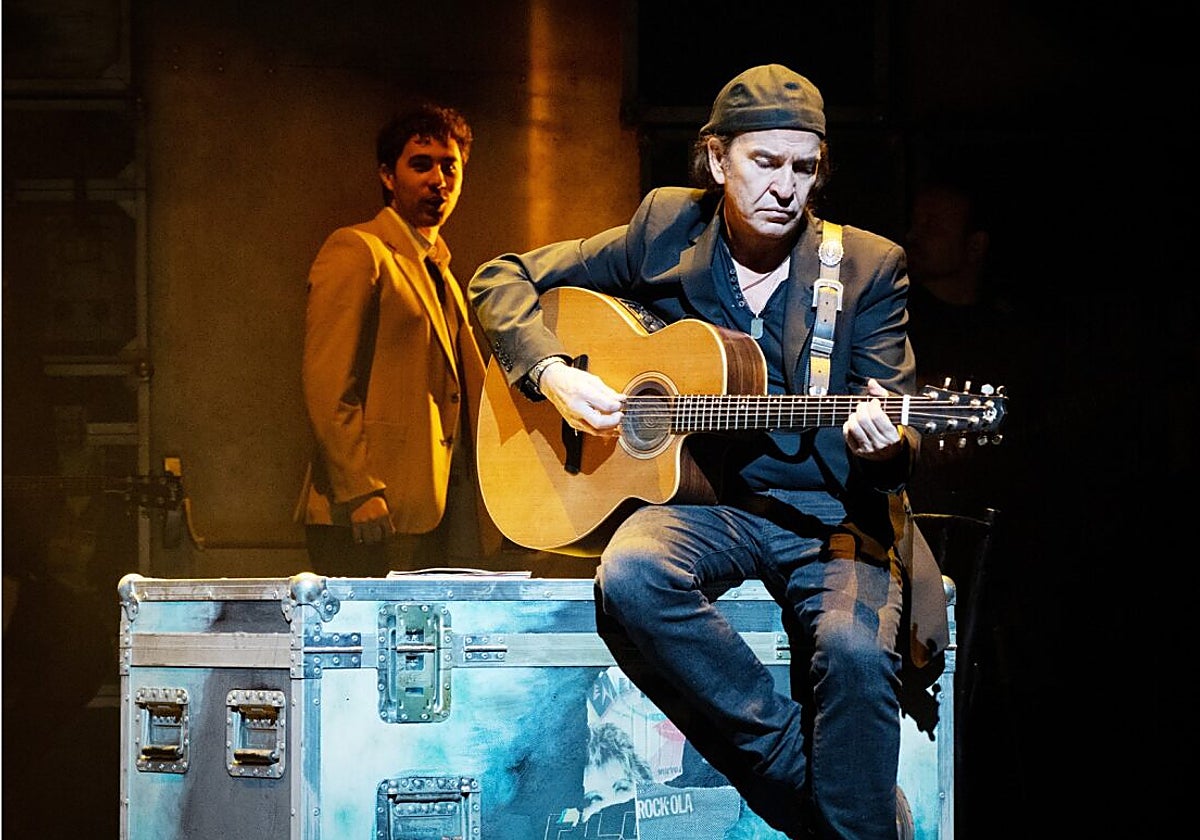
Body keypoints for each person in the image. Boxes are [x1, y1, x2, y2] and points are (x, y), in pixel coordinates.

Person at [469, 64, 948, 839]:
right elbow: (502, 277)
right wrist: (554, 374)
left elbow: (900, 436)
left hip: (831, 516)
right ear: (718, 159)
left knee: (857, 661)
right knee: (630, 574)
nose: (786, 188)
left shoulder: (864, 266)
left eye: (804, 168)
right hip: (706, 505)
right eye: (765, 163)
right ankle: (811, 786)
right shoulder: (665, 228)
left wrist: (885, 447)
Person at [296, 102, 500, 577]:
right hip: (367, 510)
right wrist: (359, 489)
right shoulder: (358, 249)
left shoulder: (438, 267)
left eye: (450, 166)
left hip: (427, 509)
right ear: (388, 176)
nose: (438, 180)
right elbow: (327, 382)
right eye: (421, 164)